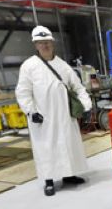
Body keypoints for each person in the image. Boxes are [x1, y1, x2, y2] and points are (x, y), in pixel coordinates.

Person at [15, 26, 93, 196]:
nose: (45, 45)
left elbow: (78, 87)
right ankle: (48, 181)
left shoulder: (62, 65)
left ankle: (69, 175)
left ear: (52, 43)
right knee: (46, 148)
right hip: (44, 118)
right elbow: (23, 92)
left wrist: (86, 106)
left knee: (68, 145)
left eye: (47, 42)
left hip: (65, 115)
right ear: (35, 45)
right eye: (41, 43)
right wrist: (31, 111)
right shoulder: (29, 66)